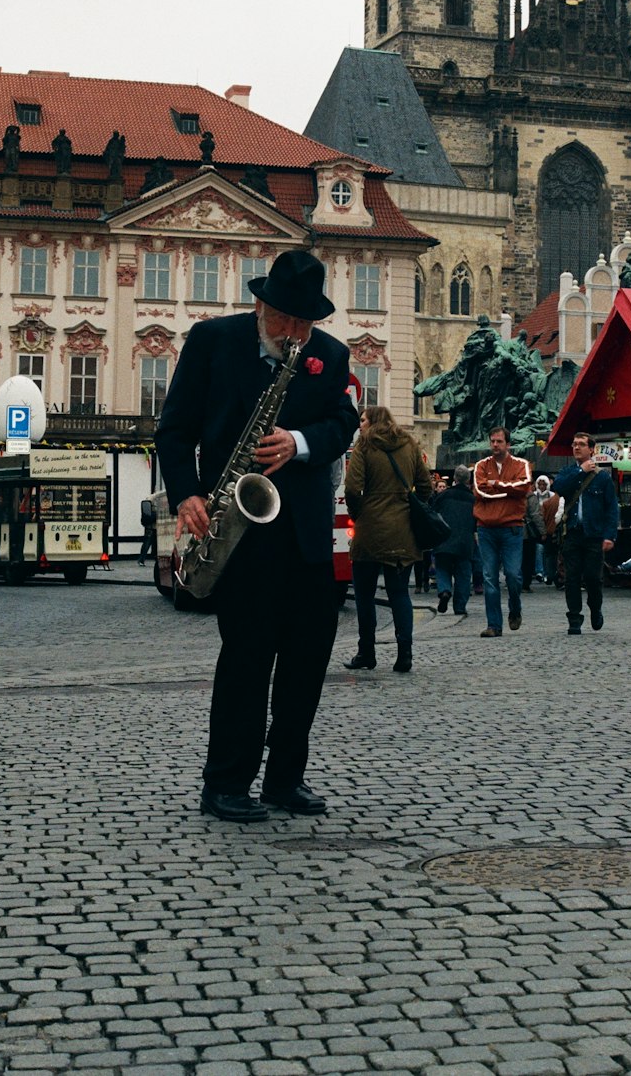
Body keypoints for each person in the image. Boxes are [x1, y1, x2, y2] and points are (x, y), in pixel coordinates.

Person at [155, 249, 358, 822]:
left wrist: (299, 442)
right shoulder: (212, 341)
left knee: (306, 663)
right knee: (246, 660)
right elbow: (174, 430)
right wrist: (188, 493)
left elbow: (343, 425)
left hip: (307, 534)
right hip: (239, 532)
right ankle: (225, 783)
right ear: (260, 304)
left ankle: (285, 780)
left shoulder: (330, 355)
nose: (294, 334)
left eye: (304, 323)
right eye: (283, 321)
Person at [343, 406, 431, 673]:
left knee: (365, 595)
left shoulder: (365, 445)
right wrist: (410, 507)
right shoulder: (410, 444)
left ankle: (366, 653)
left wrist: (359, 514)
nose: (360, 425)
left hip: (370, 529)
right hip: (403, 530)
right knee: (399, 593)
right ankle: (404, 654)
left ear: (373, 422)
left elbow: (351, 488)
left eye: (363, 420)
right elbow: (425, 486)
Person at [553, 433, 619, 635]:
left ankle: (595, 608)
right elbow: (559, 487)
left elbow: (611, 509)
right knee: (571, 578)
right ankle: (574, 618)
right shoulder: (568, 471)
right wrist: (580, 472)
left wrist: (610, 535)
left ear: (592, 449)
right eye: (574, 444)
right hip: (572, 532)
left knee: (593, 577)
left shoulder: (602, 477)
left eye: (581, 444)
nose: (576, 448)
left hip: (594, 535)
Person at [472, 426, 532, 636]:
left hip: (512, 528)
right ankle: (494, 625)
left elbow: (524, 486)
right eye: (493, 441)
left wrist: (496, 484)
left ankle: (515, 609)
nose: (495, 445)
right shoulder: (481, 465)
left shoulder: (521, 464)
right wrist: (508, 490)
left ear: (508, 444)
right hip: (486, 528)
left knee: (513, 576)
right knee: (489, 577)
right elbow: (480, 491)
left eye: (499, 441)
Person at [431, 465, 476, 615]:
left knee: (442, 569)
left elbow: (434, 514)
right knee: (463, 575)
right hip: (465, 542)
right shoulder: (472, 498)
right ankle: (460, 606)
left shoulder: (443, 496)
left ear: (455, 479)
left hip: (445, 539)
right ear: (468, 480)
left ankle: (444, 590)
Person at [138, 493, 159, 565]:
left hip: (151, 525)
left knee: (147, 543)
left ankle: (141, 559)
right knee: (148, 543)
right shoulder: (154, 498)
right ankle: (142, 559)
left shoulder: (150, 498)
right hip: (153, 525)